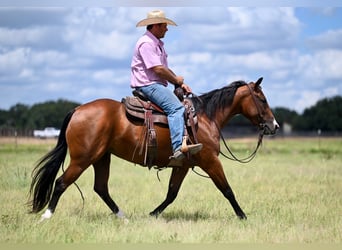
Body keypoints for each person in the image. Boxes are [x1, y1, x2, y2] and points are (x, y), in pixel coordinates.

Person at [130, 10, 202, 161]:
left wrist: (179, 83)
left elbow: (164, 69)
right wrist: (177, 80)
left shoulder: (156, 44)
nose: (167, 29)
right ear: (155, 26)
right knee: (176, 108)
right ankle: (177, 149)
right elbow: (158, 69)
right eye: (164, 25)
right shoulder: (146, 43)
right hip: (148, 85)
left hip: (155, 84)